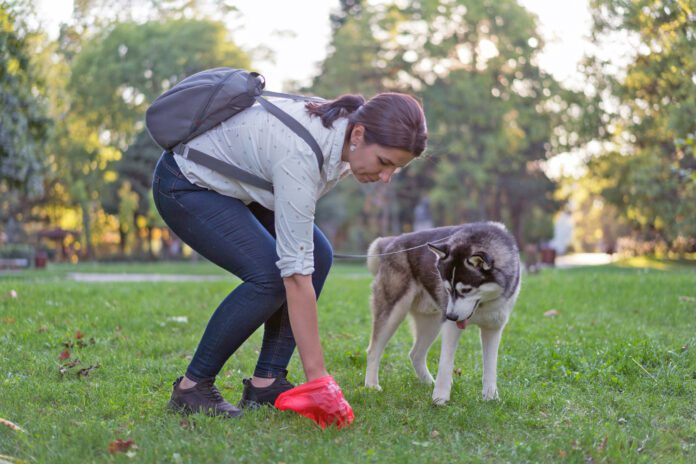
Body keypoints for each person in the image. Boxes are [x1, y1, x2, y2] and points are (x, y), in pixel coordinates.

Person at [152, 91, 427, 422]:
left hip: (239, 188)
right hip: (187, 184)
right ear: (358, 135)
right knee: (270, 277)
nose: (386, 177)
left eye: (395, 169)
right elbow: (295, 277)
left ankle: (266, 382)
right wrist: (319, 379)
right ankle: (191, 389)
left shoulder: (342, 137)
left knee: (320, 256)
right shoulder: (301, 154)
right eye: (385, 163)